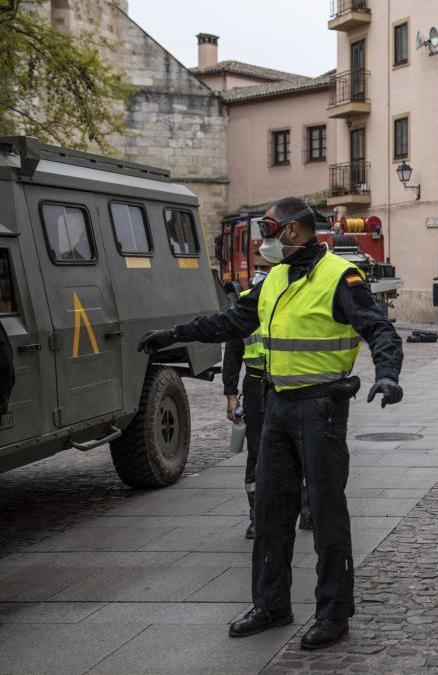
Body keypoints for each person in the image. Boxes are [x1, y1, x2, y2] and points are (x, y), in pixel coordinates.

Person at [137, 197, 404, 650]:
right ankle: (271, 605)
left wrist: (389, 374)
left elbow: (379, 328)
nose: (266, 240)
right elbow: (233, 321)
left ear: (294, 232)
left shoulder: (341, 276)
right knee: (269, 512)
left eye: (270, 230)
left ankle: (334, 613)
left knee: (325, 514)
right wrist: (176, 334)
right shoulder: (274, 277)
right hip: (277, 407)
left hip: (321, 410)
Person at [223, 258, 313, 539]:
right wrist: (230, 395)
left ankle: (300, 511)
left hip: (284, 383)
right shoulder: (253, 303)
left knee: (290, 448)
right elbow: (232, 353)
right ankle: (260, 516)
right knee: (264, 451)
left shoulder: (282, 300)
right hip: (260, 384)